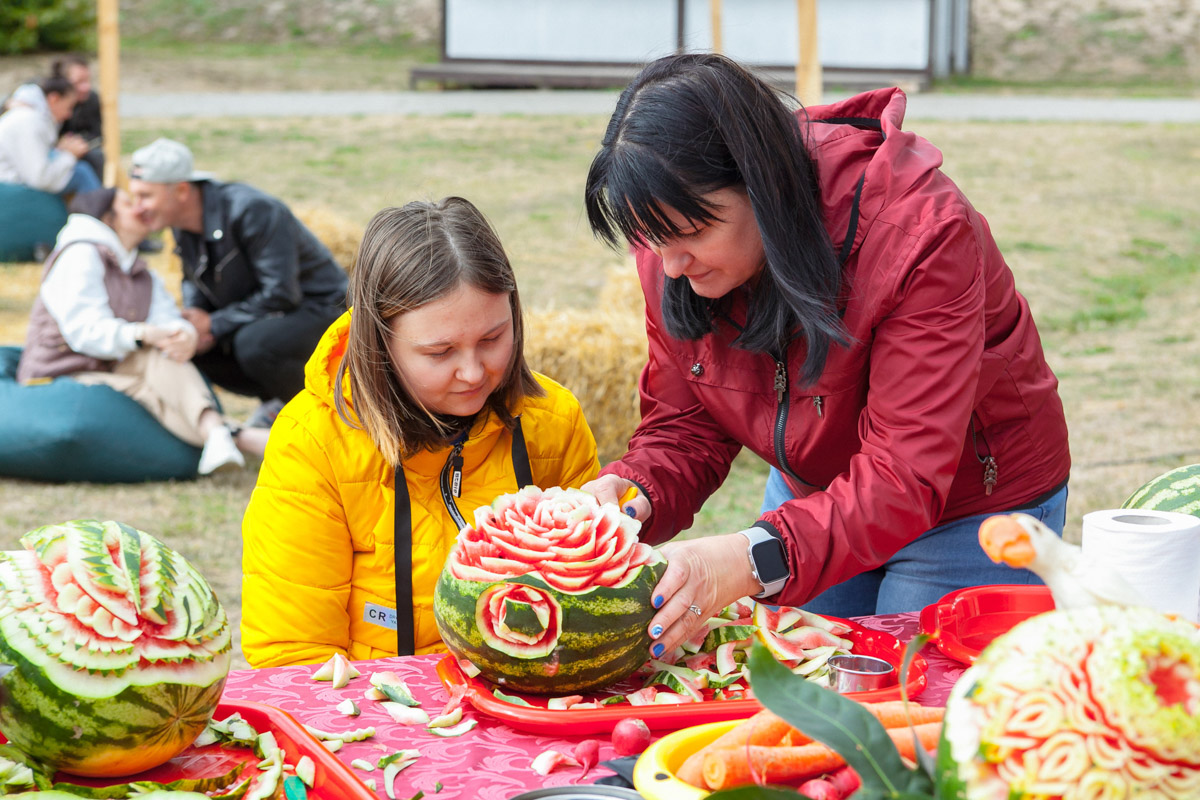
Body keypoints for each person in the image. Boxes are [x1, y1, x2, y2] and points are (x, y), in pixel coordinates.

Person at [581, 53, 1071, 658]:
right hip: (817, 492)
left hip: (969, 507)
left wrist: (750, 557)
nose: (670, 265)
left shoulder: (919, 235)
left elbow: (905, 474)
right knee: (794, 693)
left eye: (690, 235)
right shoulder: (670, 236)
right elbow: (688, 426)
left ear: (762, 183)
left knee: (912, 707)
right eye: (652, 238)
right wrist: (627, 500)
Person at [240, 197, 601, 668]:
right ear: (380, 344)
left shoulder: (553, 420)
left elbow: (599, 608)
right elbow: (293, 656)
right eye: (439, 352)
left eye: (493, 339)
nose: (473, 372)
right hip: (379, 723)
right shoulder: (312, 443)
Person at [16, 188, 268, 475]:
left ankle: (218, 436)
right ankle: (241, 437)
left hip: (113, 366)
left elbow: (166, 317)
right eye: (128, 204)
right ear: (107, 218)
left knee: (162, 358)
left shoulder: (138, 268)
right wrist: (143, 334)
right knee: (153, 385)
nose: (140, 209)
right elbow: (85, 331)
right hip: (62, 372)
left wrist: (182, 333)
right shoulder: (80, 256)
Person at [128, 137, 348, 429]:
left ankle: (321, 418)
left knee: (253, 344)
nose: (136, 208)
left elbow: (282, 293)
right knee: (189, 346)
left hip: (324, 310)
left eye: (145, 196)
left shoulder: (252, 210)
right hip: (266, 316)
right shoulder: (182, 225)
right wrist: (194, 320)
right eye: (134, 197)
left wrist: (214, 324)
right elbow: (193, 280)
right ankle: (274, 404)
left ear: (181, 190)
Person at [0, 77, 100, 197]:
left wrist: (59, 151)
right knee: (81, 173)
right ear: (54, 99)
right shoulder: (29, 121)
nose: (69, 114)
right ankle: (99, 212)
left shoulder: (29, 115)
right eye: (69, 107)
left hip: (15, 183)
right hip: (12, 189)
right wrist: (69, 155)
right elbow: (40, 178)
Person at [52, 54, 104, 180]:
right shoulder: (47, 97)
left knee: (96, 157)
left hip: (78, 150)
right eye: (79, 82)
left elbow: (98, 135)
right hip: (48, 153)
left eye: (87, 80)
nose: (86, 87)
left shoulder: (91, 100)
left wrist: (75, 142)